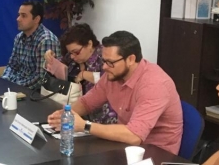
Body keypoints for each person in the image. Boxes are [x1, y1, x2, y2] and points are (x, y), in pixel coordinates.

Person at [47, 31, 183, 154]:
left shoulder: (154, 84)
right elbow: (87, 103)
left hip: (156, 154)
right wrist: (64, 115)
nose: (104, 67)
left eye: (110, 62)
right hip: (124, 146)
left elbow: (134, 136)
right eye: (104, 61)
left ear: (130, 59)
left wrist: (85, 126)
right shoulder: (113, 75)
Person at [44, 23, 118, 124]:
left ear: (89, 44)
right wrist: (51, 60)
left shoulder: (104, 56)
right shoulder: (73, 56)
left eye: (76, 52)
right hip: (77, 112)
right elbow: (60, 66)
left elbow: (111, 79)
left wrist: (84, 74)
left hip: (102, 118)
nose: (72, 56)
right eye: (71, 53)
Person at [2, 0, 60, 90]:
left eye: (23, 16)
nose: (18, 19)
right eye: (19, 15)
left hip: (34, 92)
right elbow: (12, 65)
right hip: (16, 86)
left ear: (36, 19)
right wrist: (4, 81)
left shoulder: (46, 40)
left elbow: (41, 78)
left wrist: (15, 86)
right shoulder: (19, 38)